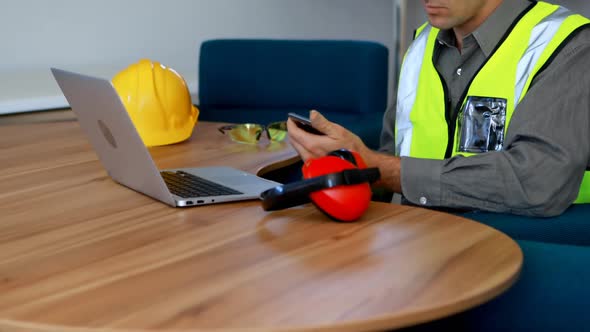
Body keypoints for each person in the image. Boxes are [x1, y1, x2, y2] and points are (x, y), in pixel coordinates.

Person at [287, 0, 590, 217]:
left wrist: (381, 170)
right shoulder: (421, 45)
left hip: (531, 253)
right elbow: (389, 158)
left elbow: (537, 180)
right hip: (419, 245)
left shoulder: (568, 44)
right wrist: (343, 172)